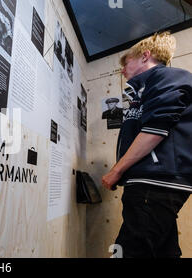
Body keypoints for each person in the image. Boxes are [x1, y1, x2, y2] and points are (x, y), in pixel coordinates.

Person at [101, 31, 192, 258]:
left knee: (130, 251)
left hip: (154, 182)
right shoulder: (145, 89)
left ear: (145, 56)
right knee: (164, 252)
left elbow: (156, 129)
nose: (122, 69)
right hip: (153, 183)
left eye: (126, 62)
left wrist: (116, 170)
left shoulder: (167, 77)